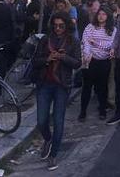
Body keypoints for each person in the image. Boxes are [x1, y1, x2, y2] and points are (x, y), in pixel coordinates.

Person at [31, 12, 82, 171]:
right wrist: (47, 59)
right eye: (55, 25)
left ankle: (53, 155)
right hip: (45, 83)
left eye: (61, 25)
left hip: (62, 85)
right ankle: (48, 138)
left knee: (59, 120)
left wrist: (62, 57)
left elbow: (77, 63)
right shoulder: (45, 40)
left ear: (66, 25)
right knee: (41, 120)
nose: (58, 28)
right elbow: (35, 61)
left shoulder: (73, 41)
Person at [80, 5, 116, 121]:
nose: (101, 16)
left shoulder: (113, 30)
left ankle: (102, 110)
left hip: (104, 61)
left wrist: (96, 43)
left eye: (104, 14)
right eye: (99, 14)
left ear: (108, 16)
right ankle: (82, 111)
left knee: (102, 87)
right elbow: (86, 41)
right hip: (90, 60)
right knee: (87, 87)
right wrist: (87, 54)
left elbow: (110, 46)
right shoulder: (90, 27)